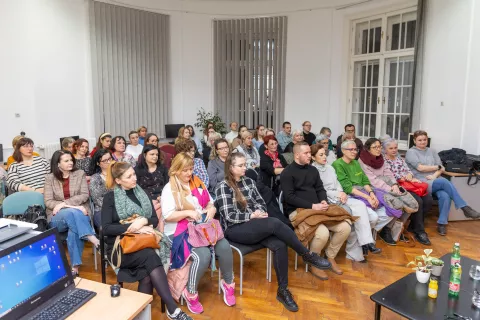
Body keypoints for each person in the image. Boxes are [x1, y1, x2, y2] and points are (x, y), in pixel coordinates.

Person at [216, 152, 331, 312]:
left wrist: (260, 212)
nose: (245, 168)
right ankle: (306, 254)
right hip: (235, 229)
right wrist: (252, 215)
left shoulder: (249, 181)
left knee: (279, 244)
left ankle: (282, 290)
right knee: (275, 223)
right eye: (241, 165)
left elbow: (261, 202)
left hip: (256, 225)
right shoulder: (223, 186)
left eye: (245, 165)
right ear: (230, 167)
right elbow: (229, 216)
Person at [102, 162, 191, 320]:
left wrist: (143, 221)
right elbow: (107, 228)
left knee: (147, 274)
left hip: (145, 242)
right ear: (118, 180)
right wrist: (133, 227)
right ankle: (173, 309)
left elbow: (154, 221)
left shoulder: (141, 192)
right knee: (151, 257)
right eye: (129, 176)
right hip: (120, 247)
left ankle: (142, 315)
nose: (134, 178)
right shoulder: (110, 198)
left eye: (134, 174)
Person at [161, 153, 236, 314]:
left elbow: (209, 201)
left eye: (191, 169)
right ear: (175, 171)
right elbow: (168, 215)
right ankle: (191, 293)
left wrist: (212, 208)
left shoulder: (197, 182)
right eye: (185, 170)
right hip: (178, 231)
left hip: (200, 227)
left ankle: (228, 284)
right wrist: (189, 213)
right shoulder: (170, 188)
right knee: (203, 255)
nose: (189, 173)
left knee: (224, 246)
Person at [281, 142, 352, 279]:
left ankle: (330, 257)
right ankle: (314, 262)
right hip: (298, 211)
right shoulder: (287, 173)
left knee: (345, 226)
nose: (309, 156)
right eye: (306, 153)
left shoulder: (313, 170)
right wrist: (313, 206)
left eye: (309, 152)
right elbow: (289, 198)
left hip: (318, 209)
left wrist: (324, 200)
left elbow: (320, 188)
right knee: (323, 233)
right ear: (296, 155)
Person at [310, 144, 381, 261]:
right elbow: (321, 190)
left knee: (367, 211)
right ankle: (358, 250)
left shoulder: (329, 167)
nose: (324, 157)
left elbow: (337, 183)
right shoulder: (313, 171)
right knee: (356, 220)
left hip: (341, 196)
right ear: (313, 157)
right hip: (328, 200)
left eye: (325, 154)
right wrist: (338, 194)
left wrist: (341, 192)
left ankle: (366, 242)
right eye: (321, 155)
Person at [405, 130, 480, 235]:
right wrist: (437, 168)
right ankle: (464, 207)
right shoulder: (411, 152)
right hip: (420, 182)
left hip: (434, 180)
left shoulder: (432, 151)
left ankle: (442, 223)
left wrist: (434, 175)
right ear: (414, 141)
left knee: (445, 195)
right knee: (444, 182)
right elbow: (420, 168)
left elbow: (442, 168)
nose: (422, 142)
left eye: (425, 140)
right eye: (420, 140)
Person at [44, 150, 98, 276]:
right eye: (66, 161)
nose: (70, 163)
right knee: (72, 213)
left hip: (78, 214)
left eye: (71, 160)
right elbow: (48, 201)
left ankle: (75, 267)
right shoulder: (49, 178)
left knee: (73, 229)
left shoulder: (79, 174)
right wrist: (68, 206)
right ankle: (91, 236)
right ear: (58, 164)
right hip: (57, 217)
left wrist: (64, 203)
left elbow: (84, 195)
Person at [359, 138, 421, 244]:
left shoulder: (381, 158)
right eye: (375, 147)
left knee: (410, 203)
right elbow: (373, 180)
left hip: (388, 186)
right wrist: (390, 189)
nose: (378, 149)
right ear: (368, 149)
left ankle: (390, 228)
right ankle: (386, 230)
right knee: (398, 203)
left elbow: (388, 173)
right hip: (373, 188)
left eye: (379, 147)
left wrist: (395, 185)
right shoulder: (362, 161)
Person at [332, 140, 395, 244]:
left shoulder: (355, 162)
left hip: (364, 193)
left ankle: (361, 238)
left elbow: (365, 181)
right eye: (350, 149)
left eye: (355, 149)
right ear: (343, 151)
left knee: (391, 209)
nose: (354, 152)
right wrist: (368, 198)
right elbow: (347, 188)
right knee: (374, 217)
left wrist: (371, 194)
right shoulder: (338, 164)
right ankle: (364, 241)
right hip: (351, 196)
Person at [382, 136, 432, 245]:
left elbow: (408, 170)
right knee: (418, 201)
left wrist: (409, 175)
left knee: (428, 199)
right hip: (397, 186)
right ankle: (420, 232)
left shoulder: (399, 158)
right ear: (385, 149)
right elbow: (388, 177)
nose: (394, 150)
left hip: (408, 184)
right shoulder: (383, 161)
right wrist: (402, 178)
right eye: (391, 148)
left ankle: (414, 225)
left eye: (396, 147)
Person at [135, 144, 169, 225]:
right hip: (145, 200)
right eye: (152, 154)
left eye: (157, 154)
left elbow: (167, 185)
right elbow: (136, 189)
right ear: (144, 155)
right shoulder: (137, 170)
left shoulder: (163, 168)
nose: (155, 156)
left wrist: (163, 197)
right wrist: (150, 199)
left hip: (162, 198)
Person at [89, 149, 111, 228]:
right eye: (105, 160)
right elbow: (97, 199)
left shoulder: (118, 174)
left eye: (109, 159)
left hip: (121, 207)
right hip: (102, 210)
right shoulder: (95, 178)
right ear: (98, 163)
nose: (109, 162)